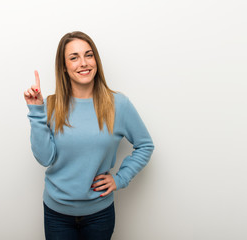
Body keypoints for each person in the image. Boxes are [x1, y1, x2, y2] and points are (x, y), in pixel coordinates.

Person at [24, 31, 154, 240]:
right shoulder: (50, 105)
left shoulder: (118, 105)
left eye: (89, 55)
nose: (83, 63)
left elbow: (145, 145)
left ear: (96, 61)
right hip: (56, 214)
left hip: (99, 216)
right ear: (64, 67)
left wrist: (120, 179)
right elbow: (44, 158)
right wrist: (36, 112)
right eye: (74, 57)